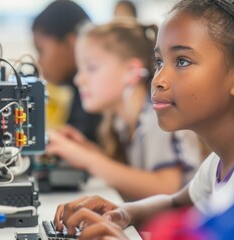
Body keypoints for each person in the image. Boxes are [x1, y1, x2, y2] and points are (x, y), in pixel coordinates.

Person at [51, 0, 234, 239]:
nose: (158, 80)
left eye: (181, 61)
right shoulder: (222, 159)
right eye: (158, 62)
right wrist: (122, 213)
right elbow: (176, 203)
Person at [46, 20, 203, 201]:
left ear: (131, 71)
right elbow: (133, 178)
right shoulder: (122, 121)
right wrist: (85, 151)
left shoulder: (156, 117)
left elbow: (167, 189)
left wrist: (88, 160)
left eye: (91, 68)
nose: (79, 80)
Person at [31, 0, 101, 142]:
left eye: (41, 50)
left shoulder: (99, 98)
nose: (38, 63)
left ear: (72, 42)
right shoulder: (77, 93)